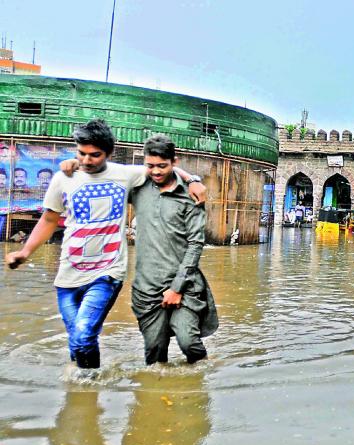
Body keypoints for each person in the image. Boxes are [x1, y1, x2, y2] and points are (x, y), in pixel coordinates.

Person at [4, 119, 206, 371]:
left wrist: (193, 179)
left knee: (84, 334)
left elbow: (163, 168)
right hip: (68, 273)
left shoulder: (125, 175)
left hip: (107, 273)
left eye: (95, 155)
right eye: (82, 154)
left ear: (109, 154)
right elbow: (49, 219)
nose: (87, 160)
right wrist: (25, 252)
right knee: (77, 340)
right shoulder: (63, 178)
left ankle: (89, 385)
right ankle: (83, 391)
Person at [128, 135, 217, 365]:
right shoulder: (137, 187)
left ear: (174, 162)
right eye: (150, 166)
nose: (156, 171)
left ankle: (202, 380)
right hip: (147, 288)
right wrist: (75, 166)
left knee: (189, 342)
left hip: (185, 286)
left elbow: (196, 244)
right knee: (155, 352)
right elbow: (105, 171)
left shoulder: (191, 195)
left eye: (162, 166)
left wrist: (177, 288)